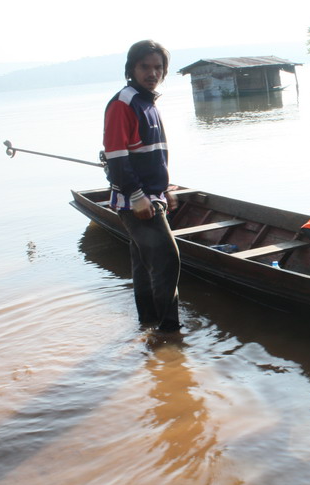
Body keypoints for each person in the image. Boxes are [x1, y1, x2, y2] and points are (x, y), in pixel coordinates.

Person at [103, 40, 181, 333]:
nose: (152, 73)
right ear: (131, 69)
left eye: (158, 67)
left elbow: (151, 155)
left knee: (144, 264)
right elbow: (116, 155)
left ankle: (148, 325)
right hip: (137, 201)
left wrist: (165, 189)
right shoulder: (124, 102)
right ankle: (170, 335)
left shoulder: (147, 102)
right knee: (167, 260)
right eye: (145, 66)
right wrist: (137, 196)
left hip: (152, 196)